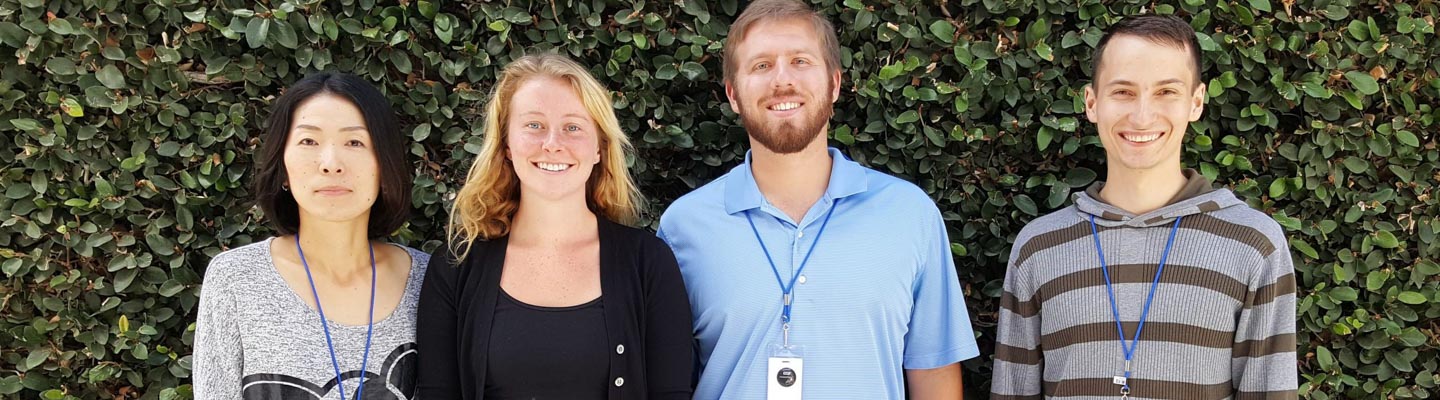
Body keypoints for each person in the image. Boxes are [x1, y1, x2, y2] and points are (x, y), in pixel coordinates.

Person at [657, 1, 979, 398]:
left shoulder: (910, 215)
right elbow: (665, 381)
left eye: (800, 61)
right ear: (733, 94)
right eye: (761, 66)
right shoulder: (683, 226)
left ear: (834, 84)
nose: (782, 80)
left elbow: (935, 380)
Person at [990, 14, 1298, 399]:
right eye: (1123, 92)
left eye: (1166, 92)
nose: (1142, 116)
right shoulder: (1039, 246)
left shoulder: (1254, 244)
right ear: (1092, 103)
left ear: (1196, 102)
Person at [414, 52, 694, 399]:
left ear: (599, 149)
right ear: (507, 146)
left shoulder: (647, 262)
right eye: (534, 125)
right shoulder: (458, 264)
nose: (552, 143)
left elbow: (673, 393)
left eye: (573, 127)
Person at [193, 72, 428, 399]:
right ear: (283, 164)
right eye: (309, 141)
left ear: (384, 165)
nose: (331, 163)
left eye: (355, 142)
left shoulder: (429, 281)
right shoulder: (236, 280)